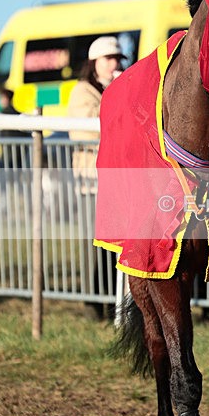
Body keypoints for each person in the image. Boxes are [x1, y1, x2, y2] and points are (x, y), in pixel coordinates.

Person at [68, 36, 126, 319]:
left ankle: (106, 300)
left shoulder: (114, 87)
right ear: (95, 62)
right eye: (109, 58)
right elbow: (86, 131)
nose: (115, 63)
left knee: (113, 242)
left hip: (114, 180)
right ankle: (94, 302)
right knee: (96, 245)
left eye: (117, 58)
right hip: (92, 180)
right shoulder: (83, 91)